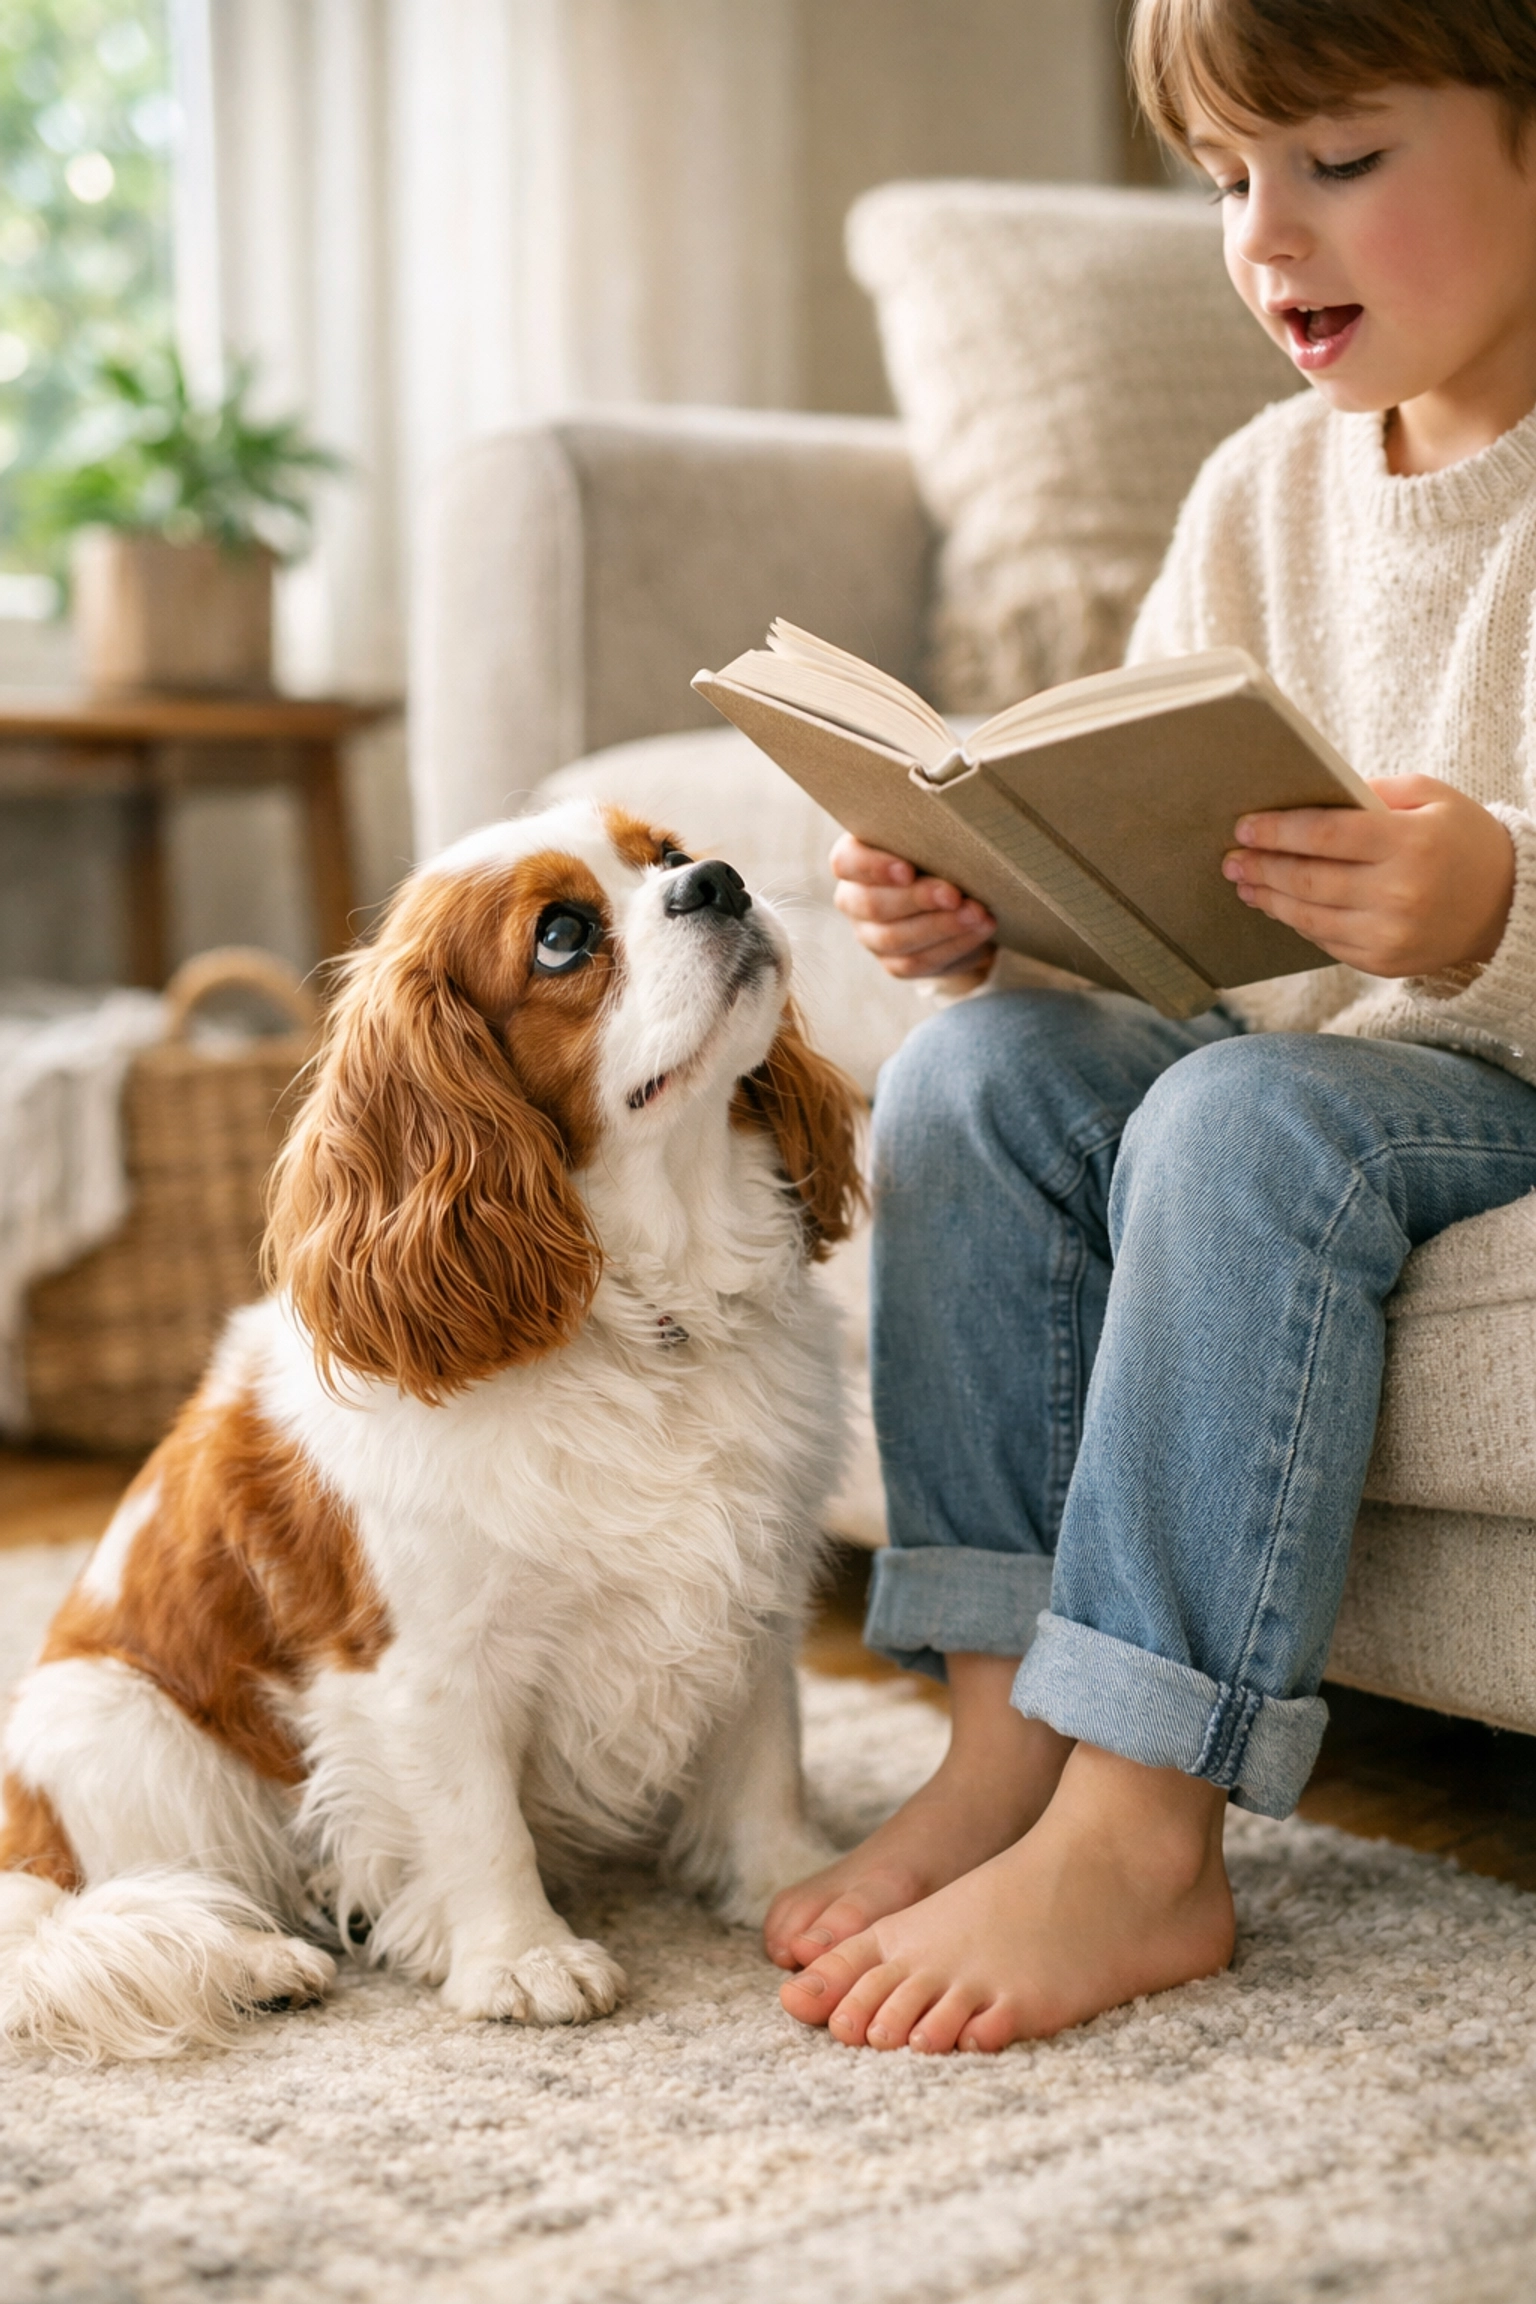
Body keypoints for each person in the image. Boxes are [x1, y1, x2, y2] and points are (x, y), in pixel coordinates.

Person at [765, 0, 1536, 2055]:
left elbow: (1302, 1048)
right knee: (988, 1075)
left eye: (1342, 163)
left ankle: (1141, 1831)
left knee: (1243, 1126)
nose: (1270, 239)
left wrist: (1497, 901)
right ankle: (1006, 1743)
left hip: (1488, 1095)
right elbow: (1154, 913)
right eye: (1224, 185)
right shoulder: (1260, 493)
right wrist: (988, 913)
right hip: (1287, 1066)